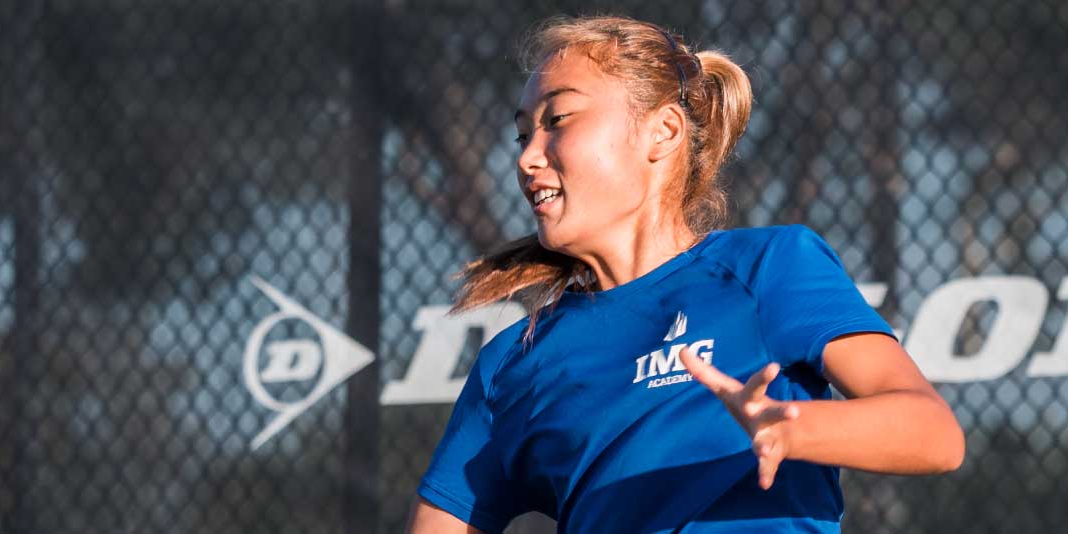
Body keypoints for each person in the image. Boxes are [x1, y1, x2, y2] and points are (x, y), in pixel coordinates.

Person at [407, 15, 963, 533]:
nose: (528, 157)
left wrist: (793, 429)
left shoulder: (770, 267)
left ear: (663, 132)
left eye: (557, 120)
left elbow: (934, 434)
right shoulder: (509, 365)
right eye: (522, 134)